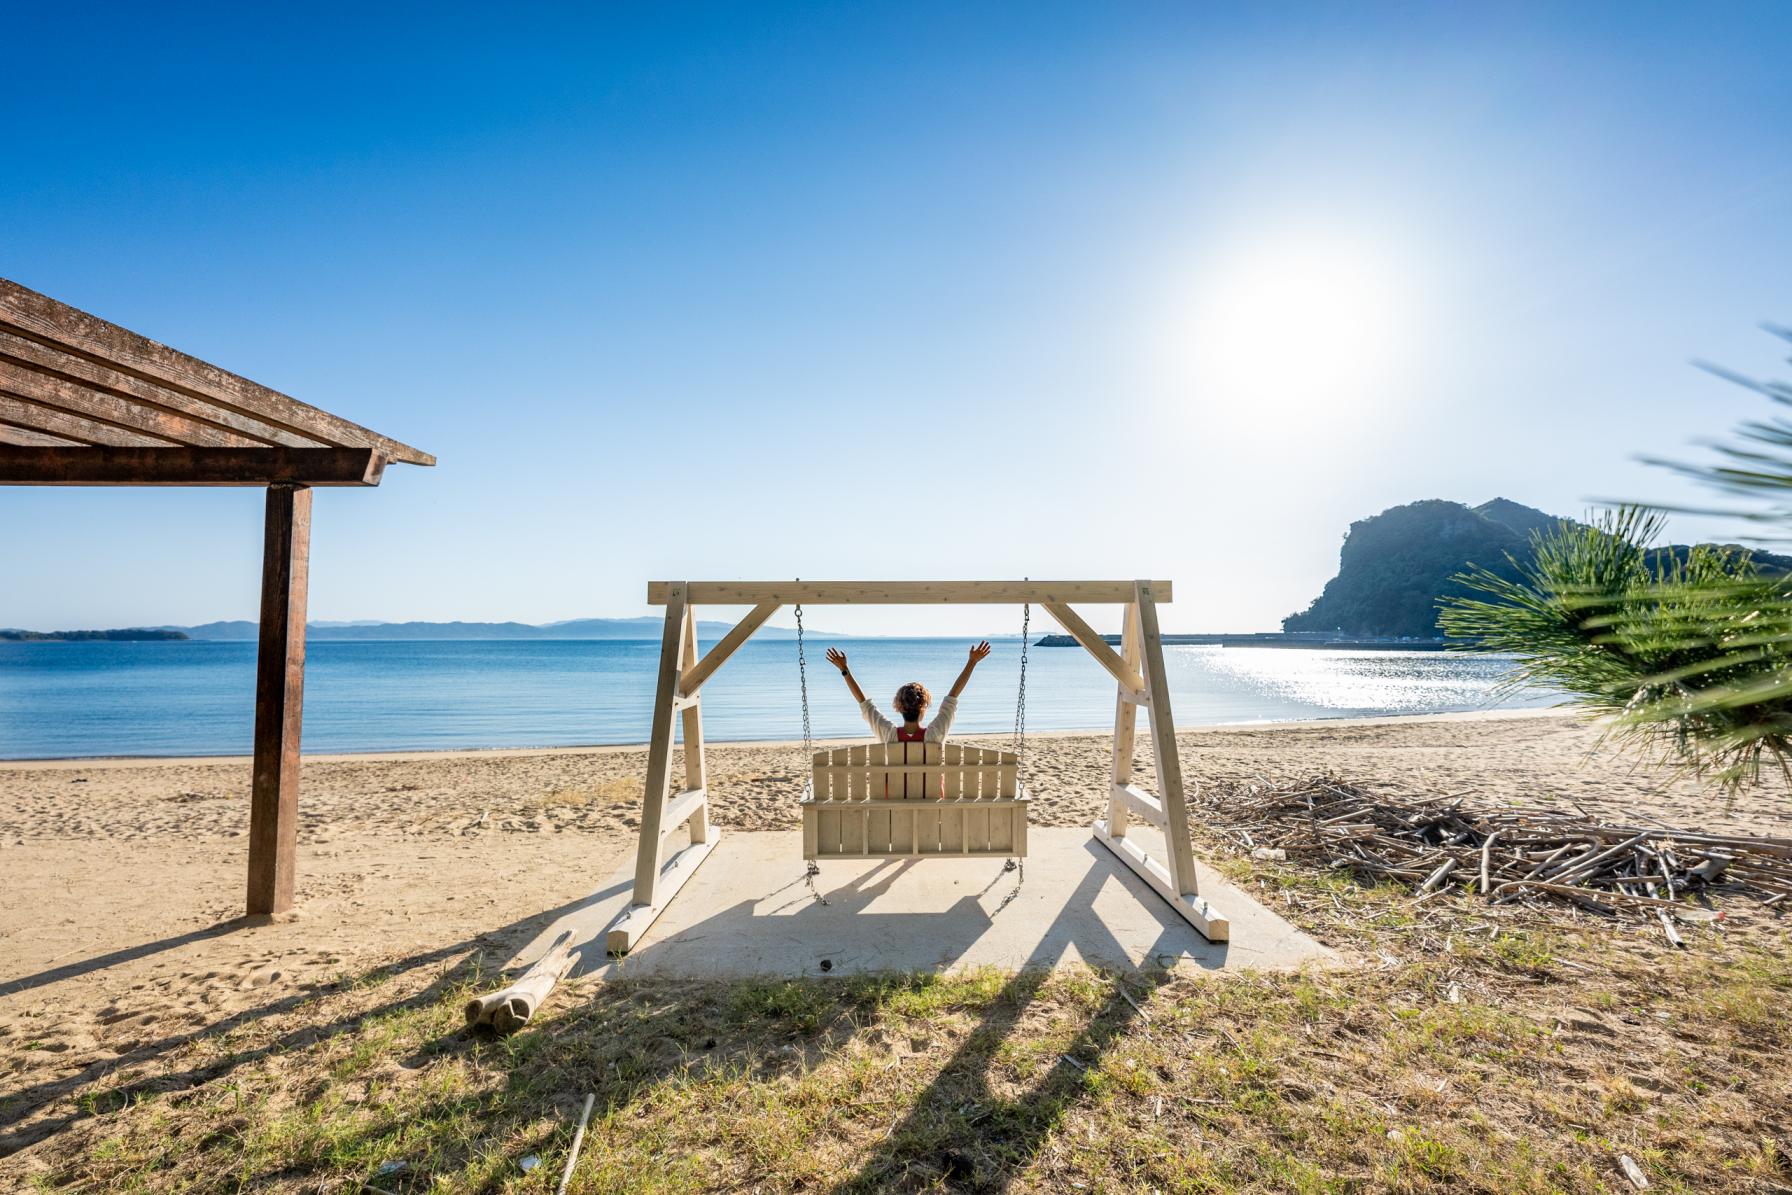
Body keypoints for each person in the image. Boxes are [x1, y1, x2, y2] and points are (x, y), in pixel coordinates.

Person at [825, 641, 993, 743]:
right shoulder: (934, 734)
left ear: (898, 707)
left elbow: (864, 703)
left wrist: (844, 669)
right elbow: (953, 697)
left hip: (895, 801)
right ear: (924, 708)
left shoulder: (889, 734)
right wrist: (972, 662)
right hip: (931, 800)